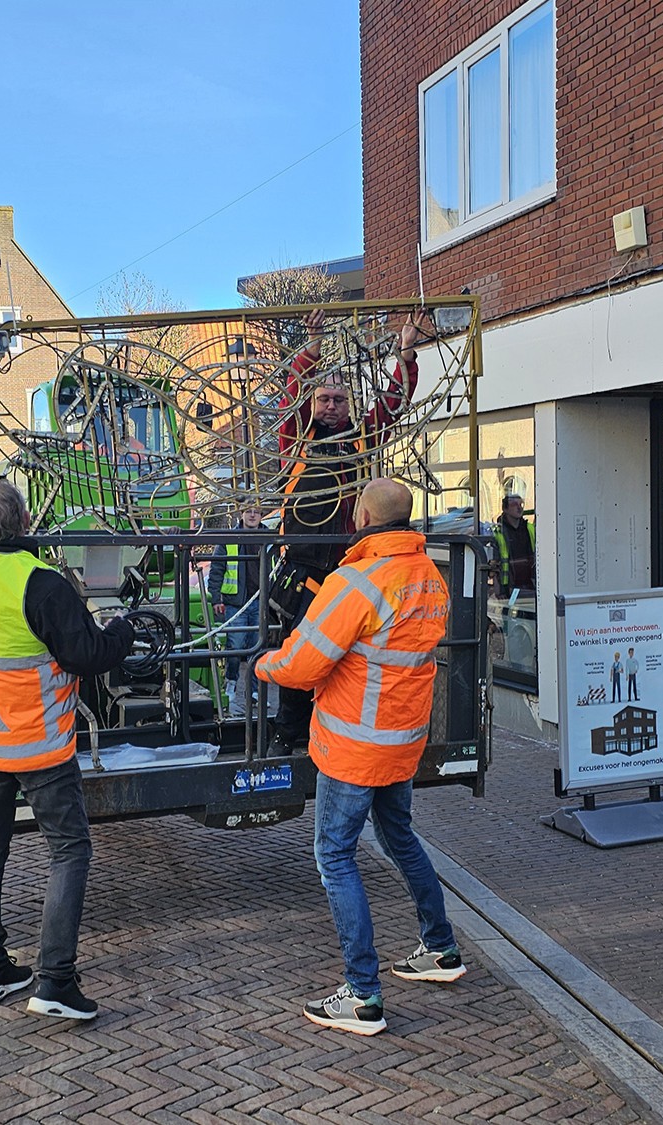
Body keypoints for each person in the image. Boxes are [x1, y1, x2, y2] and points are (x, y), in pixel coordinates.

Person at [0, 437, 135, 1021]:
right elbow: (88, 656)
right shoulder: (41, 582)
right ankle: (54, 980)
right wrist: (121, 631)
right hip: (39, 743)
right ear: (24, 521)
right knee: (69, 851)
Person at [254, 478, 462, 1036]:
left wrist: (265, 665)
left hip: (353, 745)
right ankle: (440, 949)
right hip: (403, 738)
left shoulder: (357, 581)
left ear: (362, 516)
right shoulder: (428, 577)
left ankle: (364, 995)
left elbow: (303, 663)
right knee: (400, 836)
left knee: (334, 856)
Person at [270, 312, 420, 751]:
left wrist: (405, 354)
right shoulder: (296, 438)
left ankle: (329, 728)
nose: (331, 406)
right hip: (303, 570)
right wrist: (313, 344)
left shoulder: (359, 439)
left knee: (347, 657)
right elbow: (291, 399)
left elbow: (393, 407)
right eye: (324, 399)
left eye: (338, 399)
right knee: (300, 650)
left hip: (348, 568)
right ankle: (288, 728)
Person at [207, 505, 267, 719]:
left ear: (261, 516)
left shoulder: (268, 539)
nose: (252, 515)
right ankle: (230, 686)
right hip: (236, 603)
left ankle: (254, 692)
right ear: (241, 514)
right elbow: (217, 570)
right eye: (249, 511)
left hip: (259, 602)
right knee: (235, 648)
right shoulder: (229, 538)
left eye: (257, 511)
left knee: (257, 650)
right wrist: (216, 599)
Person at [491, 493, 535, 596]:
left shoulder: (529, 529)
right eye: (514, 505)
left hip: (530, 585)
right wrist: (500, 591)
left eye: (521, 504)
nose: (519, 508)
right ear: (505, 509)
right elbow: (494, 565)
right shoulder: (498, 532)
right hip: (508, 588)